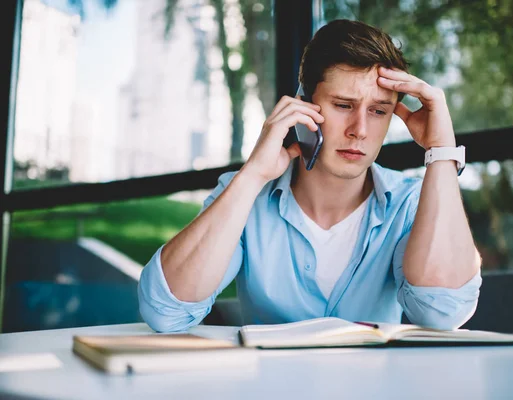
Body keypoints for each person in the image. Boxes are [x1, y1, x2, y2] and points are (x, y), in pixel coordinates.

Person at [138, 19, 482, 333]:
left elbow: (442, 313)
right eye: (343, 105)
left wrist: (441, 152)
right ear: (303, 107)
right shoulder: (245, 196)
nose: (360, 130)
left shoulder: (410, 203)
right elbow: (165, 312)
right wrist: (254, 173)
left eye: (379, 111)